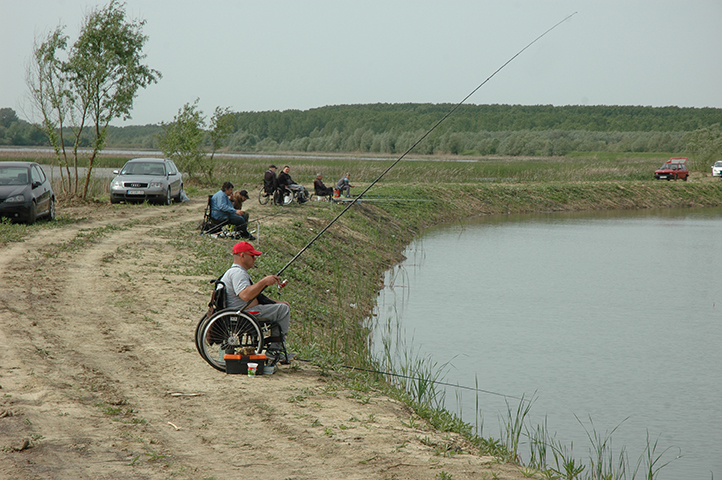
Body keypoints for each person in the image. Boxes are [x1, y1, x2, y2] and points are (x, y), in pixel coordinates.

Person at [220, 241, 291, 358]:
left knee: (281, 306)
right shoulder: (238, 273)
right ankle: (275, 350)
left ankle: (275, 348)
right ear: (242, 255)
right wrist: (264, 282)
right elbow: (246, 295)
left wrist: (276, 303)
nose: (255, 259)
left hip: (242, 311)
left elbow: (256, 296)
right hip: (242, 314)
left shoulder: (234, 272)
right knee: (283, 310)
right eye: (252, 256)